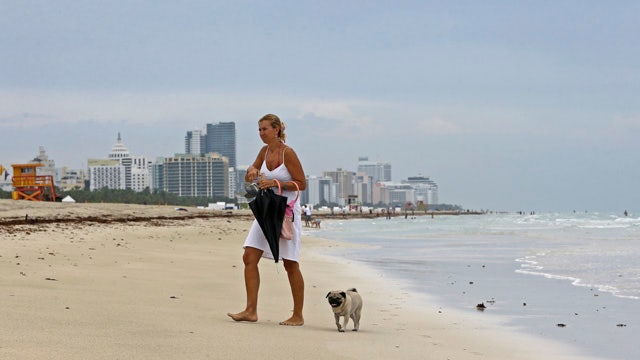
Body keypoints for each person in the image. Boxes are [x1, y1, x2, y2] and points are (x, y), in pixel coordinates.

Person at [227, 114, 307, 326]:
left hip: (286, 213)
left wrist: (275, 183)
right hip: (265, 209)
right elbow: (250, 176)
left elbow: (302, 183)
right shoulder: (264, 152)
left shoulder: (287, 153)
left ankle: (298, 315)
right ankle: (250, 310)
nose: (261, 133)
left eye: (265, 129)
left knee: (291, 264)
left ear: (277, 129)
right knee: (249, 256)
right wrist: (252, 171)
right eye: (259, 130)